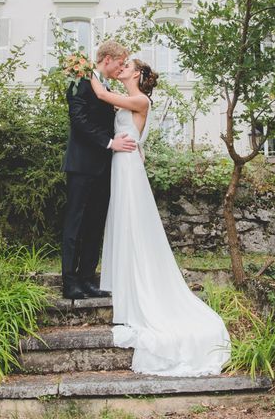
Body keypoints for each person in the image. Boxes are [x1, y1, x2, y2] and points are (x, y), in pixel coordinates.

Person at [89, 59, 231, 377]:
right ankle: (127, 280)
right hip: (123, 162)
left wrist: (88, 67)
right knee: (125, 223)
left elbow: (100, 94)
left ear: (137, 74)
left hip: (127, 166)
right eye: (120, 64)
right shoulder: (128, 100)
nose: (122, 67)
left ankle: (139, 287)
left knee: (133, 223)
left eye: (127, 65)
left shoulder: (140, 99)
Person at [61, 40, 137, 300]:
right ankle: (70, 283)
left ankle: (87, 278)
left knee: (95, 225)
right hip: (81, 165)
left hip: (104, 167)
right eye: (120, 62)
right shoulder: (80, 81)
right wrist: (109, 143)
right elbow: (78, 120)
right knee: (75, 224)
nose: (121, 68)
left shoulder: (104, 86)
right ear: (107, 59)